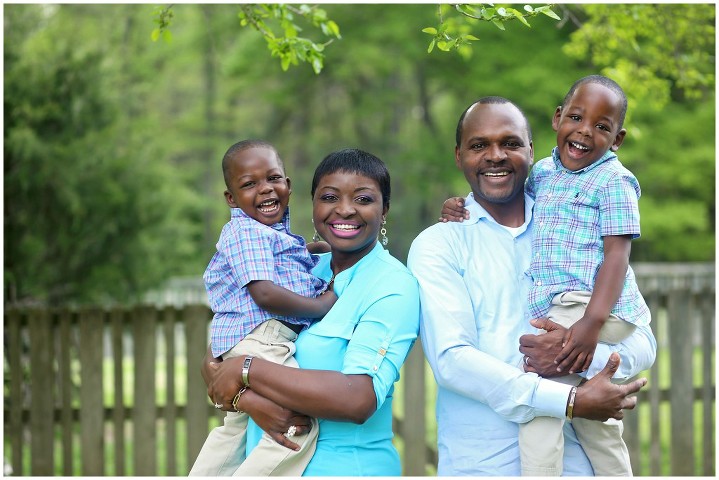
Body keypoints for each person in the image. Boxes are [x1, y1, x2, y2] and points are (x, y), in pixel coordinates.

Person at [407, 96, 657, 476]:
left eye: (510, 143)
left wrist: (577, 353)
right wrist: (569, 399)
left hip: (578, 466)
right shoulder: (440, 243)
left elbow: (642, 342)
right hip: (482, 466)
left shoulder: (573, 222)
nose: (495, 156)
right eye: (479, 146)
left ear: (531, 151)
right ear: (459, 157)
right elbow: (452, 361)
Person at [200, 148, 421, 476]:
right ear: (313, 203)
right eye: (330, 197)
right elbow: (219, 361)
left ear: (384, 209)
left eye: (363, 199)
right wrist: (249, 400)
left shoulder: (392, 286)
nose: (345, 210)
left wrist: (247, 371)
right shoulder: (302, 269)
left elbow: (358, 400)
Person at [190, 139, 337, 476]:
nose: (265, 189)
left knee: (234, 432)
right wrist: (322, 305)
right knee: (296, 428)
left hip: (248, 340)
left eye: (273, 178)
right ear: (231, 199)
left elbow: (280, 265)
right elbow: (266, 294)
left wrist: (310, 250)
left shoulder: (268, 232)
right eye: (249, 184)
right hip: (263, 339)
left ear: (288, 184)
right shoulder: (245, 231)